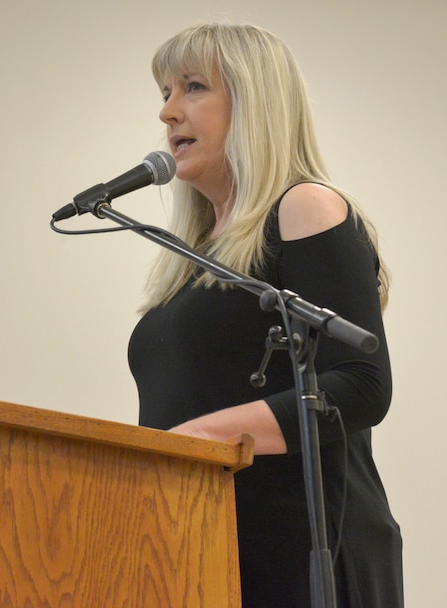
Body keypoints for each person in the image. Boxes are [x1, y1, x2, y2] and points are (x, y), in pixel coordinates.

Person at [127, 22, 403, 607]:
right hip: (202, 548)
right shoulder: (193, 260)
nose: (168, 113)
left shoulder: (304, 207)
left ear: (254, 102)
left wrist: (199, 441)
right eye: (164, 94)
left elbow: (361, 385)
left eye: (192, 87)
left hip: (303, 555)